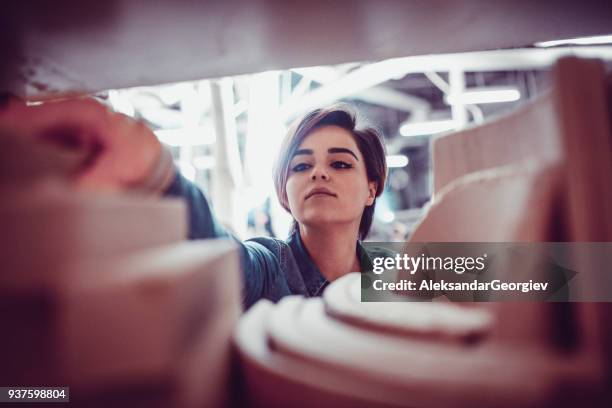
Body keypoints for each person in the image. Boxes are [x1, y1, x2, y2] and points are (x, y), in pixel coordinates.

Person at [0, 98, 387, 309]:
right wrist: (158, 172)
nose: (318, 173)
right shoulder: (268, 270)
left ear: (372, 189)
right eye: (301, 165)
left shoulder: (403, 271)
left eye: (340, 163)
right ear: (285, 193)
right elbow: (220, 249)